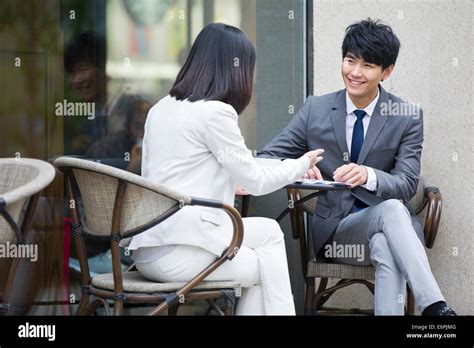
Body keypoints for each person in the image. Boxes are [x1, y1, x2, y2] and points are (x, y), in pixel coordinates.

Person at [259, 18, 456, 316]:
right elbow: (267, 157)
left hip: (392, 230)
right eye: (350, 60)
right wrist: (297, 167)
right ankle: (435, 308)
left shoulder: (407, 117)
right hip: (337, 232)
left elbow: (406, 183)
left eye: (368, 65)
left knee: (385, 240)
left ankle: (430, 308)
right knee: (391, 215)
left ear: (386, 72)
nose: (355, 72)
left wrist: (369, 175)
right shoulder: (317, 109)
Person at [127, 23, 324, 315]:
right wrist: (301, 165)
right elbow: (256, 181)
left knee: (270, 231)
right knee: (261, 268)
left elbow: (178, 171)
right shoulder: (215, 112)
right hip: (178, 253)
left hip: (147, 249)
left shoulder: (161, 109)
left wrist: (230, 181)